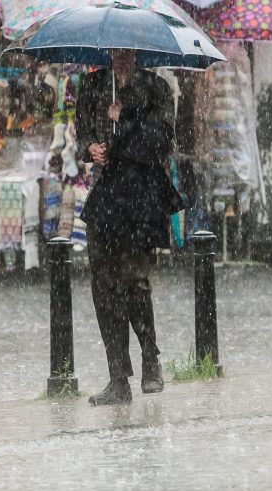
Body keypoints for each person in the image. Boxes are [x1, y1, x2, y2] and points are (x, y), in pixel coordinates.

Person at [76, 48, 184, 405]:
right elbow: (82, 131)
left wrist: (125, 119)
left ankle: (151, 360)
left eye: (127, 49)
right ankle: (117, 377)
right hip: (107, 196)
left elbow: (161, 141)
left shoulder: (156, 88)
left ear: (137, 51)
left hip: (142, 196)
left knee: (135, 281)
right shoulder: (93, 85)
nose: (120, 55)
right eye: (115, 49)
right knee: (104, 286)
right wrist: (91, 146)